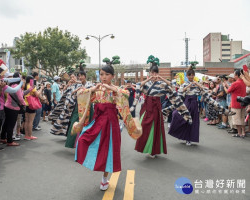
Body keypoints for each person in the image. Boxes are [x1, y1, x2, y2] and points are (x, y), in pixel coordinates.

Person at [75, 59, 141, 191]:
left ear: (112, 76)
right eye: (101, 74)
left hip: (111, 123)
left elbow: (126, 95)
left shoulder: (116, 90)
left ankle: (104, 178)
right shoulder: (97, 89)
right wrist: (92, 89)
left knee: (109, 151)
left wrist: (112, 89)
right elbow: (79, 94)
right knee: (83, 139)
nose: (103, 77)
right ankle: (90, 162)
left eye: (106, 75)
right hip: (97, 121)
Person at [131, 55, 192, 158]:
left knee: (154, 129)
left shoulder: (162, 84)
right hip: (146, 106)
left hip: (156, 107)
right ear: (149, 73)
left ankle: (153, 150)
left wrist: (162, 78)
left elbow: (172, 87)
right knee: (144, 127)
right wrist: (148, 79)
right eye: (152, 73)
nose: (154, 75)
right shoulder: (146, 84)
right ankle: (145, 147)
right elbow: (138, 86)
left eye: (156, 73)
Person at [167, 66, 235, 146]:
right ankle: (182, 135)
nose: (191, 77)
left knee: (192, 122)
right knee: (178, 116)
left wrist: (198, 85)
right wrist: (188, 86)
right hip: (186, 103)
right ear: (187, 76)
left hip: (195, 104)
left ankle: (189, 139)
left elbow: (206, 91)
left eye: (192, 75)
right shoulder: (184, 84)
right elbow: (180, 93)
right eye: (190, 75)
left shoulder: (197, 84)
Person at [65, 69, 94, 148]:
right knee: (75, 122)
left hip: (88, 106)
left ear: (85, 76)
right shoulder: (77, 85)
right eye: (79, 76)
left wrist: (83, 90)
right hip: (79, 106)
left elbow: (92, 92)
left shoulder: (90, 84)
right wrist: (76, 91)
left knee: (88, 124)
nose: (80, 77)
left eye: (81, 76)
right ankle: (72, 143)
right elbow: (71, 93)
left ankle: (85, 143)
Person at [0, 72, 26, 146]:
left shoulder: (11, 85)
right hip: (13, 108)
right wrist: (23, 104)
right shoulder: (16, 86)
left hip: (7, 106)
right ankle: (10, 141)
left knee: (6, 123)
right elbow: (20, 98)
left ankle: (3, 137)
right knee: (11, 124)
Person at [225, 70, 246, 138]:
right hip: (243, 103)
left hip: (236, 103)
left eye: (234, 75)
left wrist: (225, 86)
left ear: (237, 75)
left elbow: (228, 91)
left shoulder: (235, 83)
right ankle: (243, 132)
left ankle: (239, 133)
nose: (234, 76)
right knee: (242, 118)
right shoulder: (244, 82)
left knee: (236, 119)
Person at [24, 76, 44, 140]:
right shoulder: (31, 86)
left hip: (25, 104)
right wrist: (41, 89)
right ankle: (29, 135)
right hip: (31, 105)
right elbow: (37, 94)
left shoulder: (24, 85)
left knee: (26, 121)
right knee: (30, 121)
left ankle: (26, 135)